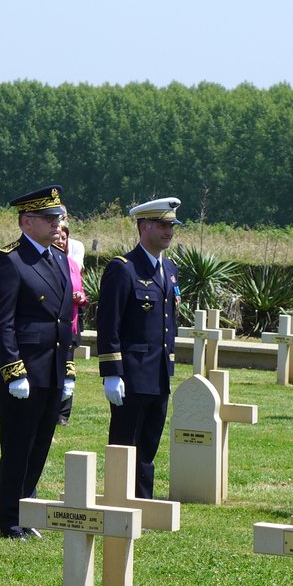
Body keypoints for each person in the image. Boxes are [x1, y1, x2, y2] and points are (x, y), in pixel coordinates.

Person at [0, 186, 75, 538]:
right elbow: (4, 321)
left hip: (51, 368)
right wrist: (13, 370)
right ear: (28, 221)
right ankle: (10, 518)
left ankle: (27, 512)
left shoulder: (57, 258)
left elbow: (64, 319)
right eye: (50, 218)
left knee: (40, 446)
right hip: (24, 371)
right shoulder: (11, 260)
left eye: (59, 218)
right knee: (18, 448)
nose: (58, 224)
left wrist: (67, 368)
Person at [97, 197, 182, 500]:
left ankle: (142, 503)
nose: (169, 231)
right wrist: (111, 372)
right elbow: (109, 324)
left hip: (158, 373)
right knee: (126, 442)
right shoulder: (124, 268)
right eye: (163, 225)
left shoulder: (169, 268)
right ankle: (121, 499)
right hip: (131, 375)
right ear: (144, 227)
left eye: (172, 225)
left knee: (148, 444)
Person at [56, 213, 88, 425]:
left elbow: (82, 292)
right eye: (57, 236)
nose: (60, 240)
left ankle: (63, 413)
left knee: (69, 368)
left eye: (64, 237)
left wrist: (81, 297)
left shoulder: (73, 265)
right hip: (53, 327)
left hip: (71, 325)